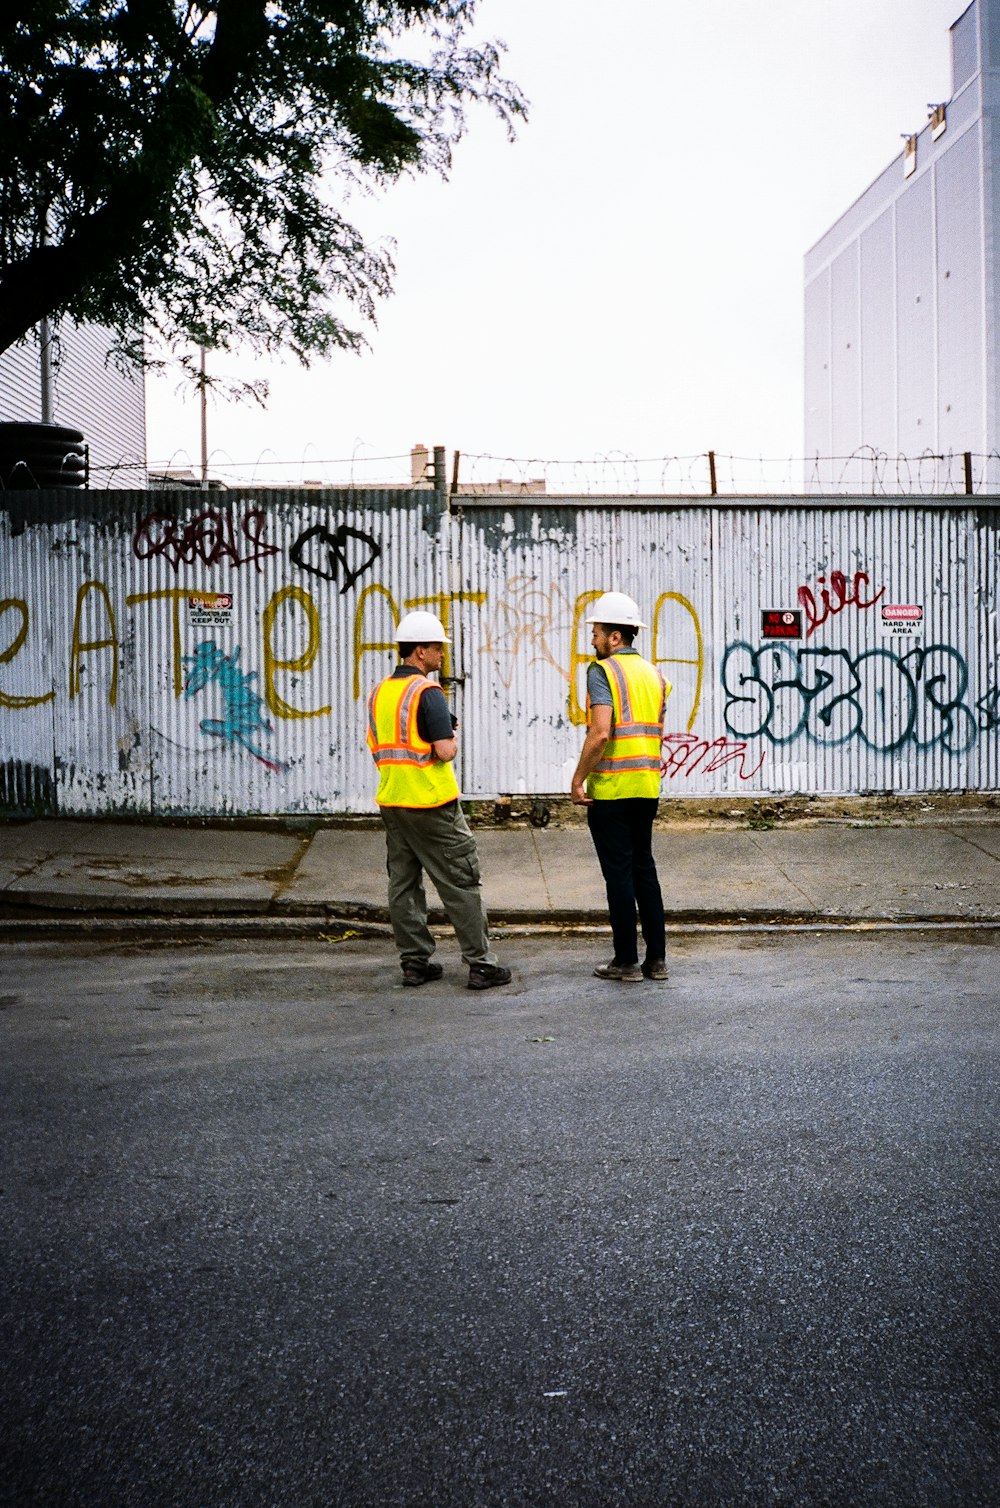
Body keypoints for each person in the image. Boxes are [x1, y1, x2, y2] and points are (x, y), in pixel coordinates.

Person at [366, 610, 512, 991]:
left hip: (394, 802)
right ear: (419, 652)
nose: (442, 654)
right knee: (460, 881)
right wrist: (453, 737)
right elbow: (444, 751)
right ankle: (482, 964)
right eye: (436, 648)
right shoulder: (427, 693)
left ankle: (414, 964)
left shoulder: (380, 692)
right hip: (432, 805)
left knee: (403, 884)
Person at [570, 591, 671, 983]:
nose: (593, 639)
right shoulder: (656, 675)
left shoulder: (603, 672)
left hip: (611, 790)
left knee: (619, 874)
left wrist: (578, 779)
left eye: (596, 632)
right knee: (644, 868)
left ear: (615, 637)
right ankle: (657, 961)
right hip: (647, 786)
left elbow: (599, 734)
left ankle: (626, 961)